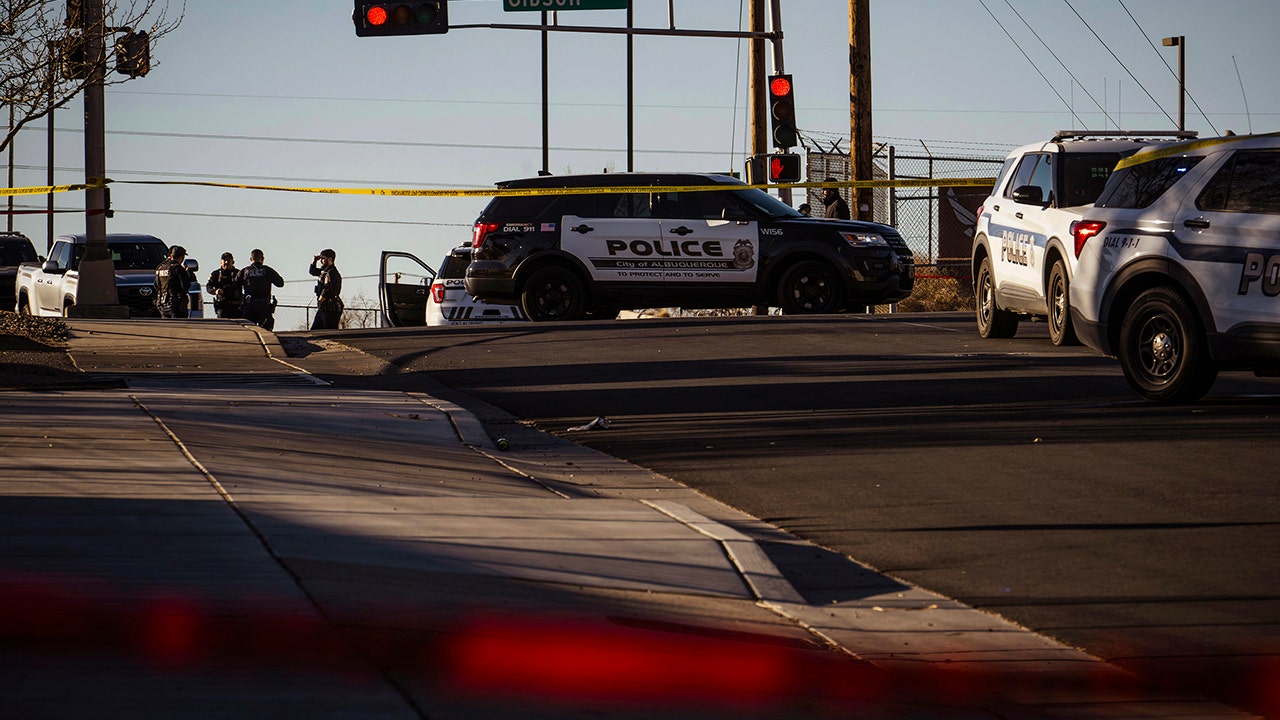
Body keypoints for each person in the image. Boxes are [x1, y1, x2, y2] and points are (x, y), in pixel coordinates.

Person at [237, 248, 284, 330]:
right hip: (264, 306)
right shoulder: (267, 270)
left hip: (249, 306)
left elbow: (235, 286)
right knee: (266, 331)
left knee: (249, 332)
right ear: (262, 259)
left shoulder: (244, 271)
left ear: (251, 259)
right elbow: (280, 283)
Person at [154, 245, 197, 319]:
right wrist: (187, 273)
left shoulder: (160, 268)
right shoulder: (178, 268)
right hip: (176, 304)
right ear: (182, 257)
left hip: (162, 303)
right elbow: (185, 285)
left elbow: (156, 285)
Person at [309, 248, 343, 331]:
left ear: (330, 259)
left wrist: (321, 299)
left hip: (330, 308)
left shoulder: (331, 273)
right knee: (315, 331)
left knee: (330, 332)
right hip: (323, 307)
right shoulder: (324, 271)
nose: (321, 261)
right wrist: (314, 261)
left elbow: (328, 288)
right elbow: (312, 271)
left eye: (323, 259)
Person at [205, 252, 243, 319]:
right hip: (222, 307)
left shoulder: (239, 274)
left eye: (228, 260)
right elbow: (208, 287)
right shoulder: (216, 274)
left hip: (237, 307)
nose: (226, 262)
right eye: (224, 260)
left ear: (233, 262)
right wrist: (215, 291)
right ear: (220, 262)